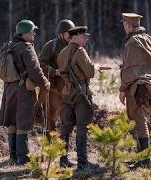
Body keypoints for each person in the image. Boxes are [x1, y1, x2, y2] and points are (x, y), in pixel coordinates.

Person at [119, 13, 151, 168]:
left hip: (139, 89)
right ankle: (140, 158)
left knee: (140, 122)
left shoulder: (132, 43)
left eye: (124, 24)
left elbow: (130, 69)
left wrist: (122, 88)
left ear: (128, 25)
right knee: (140, 121)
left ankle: (144, 161)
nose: (123, 27)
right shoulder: (148, 38)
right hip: (150, 87)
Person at [0, 19, 50, 165]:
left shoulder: (11, 46)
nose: (34, 34)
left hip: (9, 89)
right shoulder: (26, 48)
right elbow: (35, 70)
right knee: (23, 122)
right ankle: (23, 158)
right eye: (32, 31)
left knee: (13, 122)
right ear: (25, 33)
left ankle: (13, 157)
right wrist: (45, 83)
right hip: (23, 90)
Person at [57, 26, 101, 170]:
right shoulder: (80, 52)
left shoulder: (63, 52)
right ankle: (82, 162)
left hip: (66, 93)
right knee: (82, 127)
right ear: (74, 37)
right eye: (83, 36)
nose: (86, 38)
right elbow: (90, 72)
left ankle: (63, 160)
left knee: (65, 128)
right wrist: (94, 67)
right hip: (81, 94)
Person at [37, 19, 75, 132]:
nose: (71, 35)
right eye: (69, 33)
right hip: (53, 90)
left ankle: (64, 145)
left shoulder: (74, 47)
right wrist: (55, 71)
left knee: (68, 119)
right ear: (61, 34)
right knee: (50, 120)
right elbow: (40, 64)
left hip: (69, 89)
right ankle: (50, 147)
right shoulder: (51, 46)